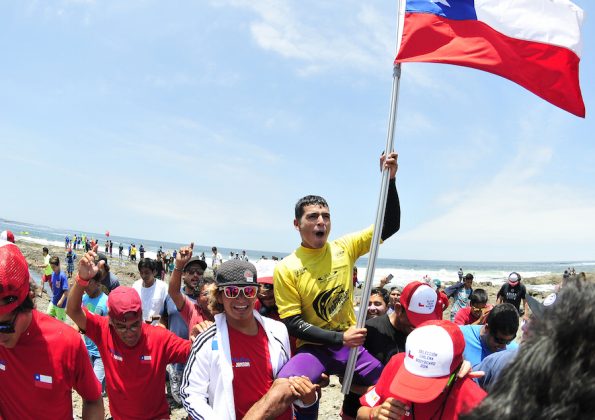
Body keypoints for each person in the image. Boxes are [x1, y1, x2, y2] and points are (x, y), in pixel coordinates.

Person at [273, 152, 400, 416]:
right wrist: (339, 337)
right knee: (287, 388)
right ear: (297, 224)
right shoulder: (287, 267)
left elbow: (390, 225)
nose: (321, 221)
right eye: (313, 217)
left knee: (391, 390)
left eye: (326, 216)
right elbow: (293, 322)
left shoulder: (345, 247)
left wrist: (390, 181)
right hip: (315, 348)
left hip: (349, 348)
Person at [180, 259, 319, 419]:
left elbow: (285, 382)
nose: (241, 299)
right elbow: (190, 393)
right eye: (232, 292)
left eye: (249, 291)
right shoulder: (207, 340)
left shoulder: (278, 331)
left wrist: (308, 398)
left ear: (256, 295)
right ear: (219, 296)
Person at [66, 248, 192, 420]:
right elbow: (72, 310)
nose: (129, 333)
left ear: (141, 316)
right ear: (110, 320)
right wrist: (81, 280)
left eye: (135, 325)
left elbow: (196, 351)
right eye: (122, 327)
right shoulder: (103, 330)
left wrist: (207, 331)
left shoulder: (159, 338)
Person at [461, 278, 595, 419]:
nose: (524, 327)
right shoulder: (501, 360)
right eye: (529, 318)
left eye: (537, 323)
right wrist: (460, 370)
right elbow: (467, 389)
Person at [0, 240, 104, 419]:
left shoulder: (66, 342)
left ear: (29, 300)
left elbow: (93, 399)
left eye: (5, 326)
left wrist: (81, 281)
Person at [341, 281, 441, 419]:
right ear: (398, 309)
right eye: (414, 320)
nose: (419, 326)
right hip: (357, 410)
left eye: (424, 320)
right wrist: (374, 391)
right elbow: (344, 379)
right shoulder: (368, 331)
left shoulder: (422, 334)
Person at [357, 320, 486, 420]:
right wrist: (373, 413)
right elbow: (360, 413)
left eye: (429, 379)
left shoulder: (475, 402)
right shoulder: (397, 364)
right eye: (413, 376)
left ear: (454, 370)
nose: (416, 390)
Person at [163, 254, 215, 406]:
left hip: (213, 371)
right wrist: (178, 265)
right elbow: (173, 292)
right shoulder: (192, 310)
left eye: (214, 293)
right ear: (198, 299)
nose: (211, 297)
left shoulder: (224, 315)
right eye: (206, 294)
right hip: (189, 367)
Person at [459, 303, 519, 368]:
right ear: (487, 328)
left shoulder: (515, 352)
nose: (503, 347)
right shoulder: (461, 336)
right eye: (499, 340)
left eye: (509, 341)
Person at [80, 276, 109, 393]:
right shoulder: (84, 299)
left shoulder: (106, 302)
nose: (85, 286)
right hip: (87, 349)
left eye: (89, 283)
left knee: (96, 390)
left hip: (101, 352)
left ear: (97, 283)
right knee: (90, 385)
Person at [133, 258, 168, 325]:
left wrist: (155, 318)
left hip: (156, 327)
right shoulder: (135, 286)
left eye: (147, 273)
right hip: (140, 326)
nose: (143, 276)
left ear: (154, 272)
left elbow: (167, 311)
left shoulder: (163, 287)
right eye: (141, 273)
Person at [47, 256, 69, 321]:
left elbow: (66, 291)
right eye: (51, 267)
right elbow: (52, 285)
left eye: (54, 267)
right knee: (48, 314)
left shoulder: (62, 276)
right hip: (54, 300)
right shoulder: (53, 273)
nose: (52, 269)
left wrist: (61, 301)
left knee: (61, 322)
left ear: (59, 264)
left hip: (61, 304)